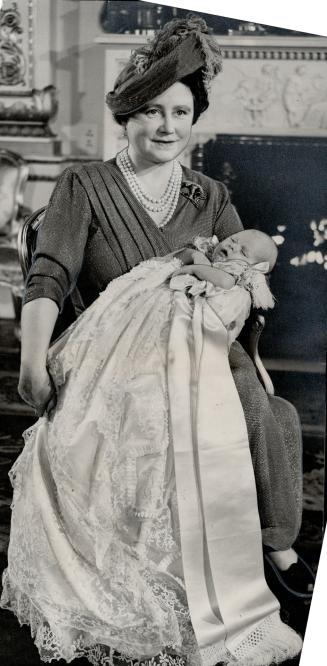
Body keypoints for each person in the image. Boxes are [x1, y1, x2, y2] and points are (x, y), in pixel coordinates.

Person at [2, 12, 313, 663]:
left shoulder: (208, 193)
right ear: (126, 117)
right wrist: (33, 363)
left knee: (263, 409)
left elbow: (245, 267)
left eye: (179, 112)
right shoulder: (84, 185)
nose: (166, 127)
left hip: (198, 350)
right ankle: (155, 582)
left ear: (193, 117)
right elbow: (48, 279)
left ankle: (272, 548)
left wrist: (226, 289)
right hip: (115, 356)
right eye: (150, 112)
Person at [1, 228, 303, 666]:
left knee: (273, 415)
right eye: (232, 241)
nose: (231, 247)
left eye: (240, 251)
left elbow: (221, 287)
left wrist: (210, 274)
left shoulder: (224, 249)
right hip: (138, 334)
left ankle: (274, 541)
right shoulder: (91, 190)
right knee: (130, 401)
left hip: (191, 343)